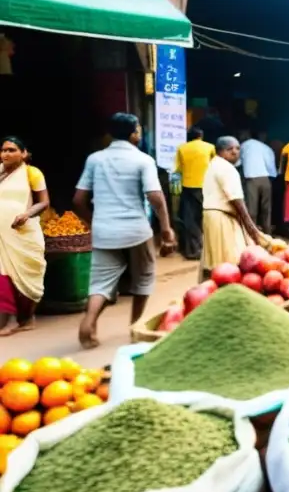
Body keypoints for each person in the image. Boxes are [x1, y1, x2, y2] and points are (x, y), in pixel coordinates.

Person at [74, 113, 176, 349]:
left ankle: (89, 323)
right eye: (138, 129)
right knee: (143, 277)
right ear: (134, 134)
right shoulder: (143, 160)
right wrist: (166, 229)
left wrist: (93, 222)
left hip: (104, 230)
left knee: (100, 282)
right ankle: (135, 325)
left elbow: (78, 199)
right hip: (136, 230)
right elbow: (155, 197)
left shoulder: (95, 159)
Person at [0, 138, 48, 336]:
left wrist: (26, 214)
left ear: (24, 153)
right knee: (3, 274)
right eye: (3, 150)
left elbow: (44, 202)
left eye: (11, 150)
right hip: (2, 234)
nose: (6, 154)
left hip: (23, 232)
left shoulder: (32, 173)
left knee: (30, 274)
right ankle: (10, 319)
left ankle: (27, 318)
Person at [202, 136, 263, 277]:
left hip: (214, 216)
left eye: (237, 148)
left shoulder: (214, 165)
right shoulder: (226, 168)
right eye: (229, 149)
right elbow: (236, 199)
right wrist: (251, 227)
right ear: (220, 151)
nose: (235, 152)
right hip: (221, 217)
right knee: (230, 261)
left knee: (214, 260)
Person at [173, 126, 214, 260]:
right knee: (206, 218)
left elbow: (177, 169)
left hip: (188, 187)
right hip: (207, 187)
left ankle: (193, 250)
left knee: (190, 219)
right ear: (201, 136)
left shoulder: (182, 148)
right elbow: (214, 165)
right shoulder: (210, 147)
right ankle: (208, 250)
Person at [240, 129, 276, 233]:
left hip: (251, 180)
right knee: (266, 209)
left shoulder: (243, 145)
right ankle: (267, 233)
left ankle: (252, 233)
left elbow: (238, 162)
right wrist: (272, 177)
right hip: (265, 179)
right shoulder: (266, 148)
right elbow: (271, 166)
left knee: (252, 209)